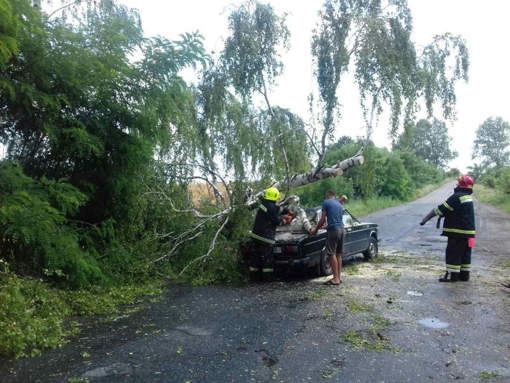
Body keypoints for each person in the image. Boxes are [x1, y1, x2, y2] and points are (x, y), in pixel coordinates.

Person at [420, 174, 476, 282]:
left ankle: (452, 276)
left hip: (457, 232)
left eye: (458, 183)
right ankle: (464, 276)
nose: (456, 184)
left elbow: (441, 209)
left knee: (453, 252)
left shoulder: (457, 197)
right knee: (465, 253)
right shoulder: (467, 197)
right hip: (468, 232)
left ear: (462, 185)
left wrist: (425, 219)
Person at [249, 187, 293, 275]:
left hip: (255, 235)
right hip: (265, 237)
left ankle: (254, 276)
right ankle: (268, 277)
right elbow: (276, 221)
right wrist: (286, 220)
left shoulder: (264, 204)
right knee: (267, 259)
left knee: (255, 257)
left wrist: (287, 210)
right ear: (275, 196)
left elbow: (278, 209)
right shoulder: (271, 207)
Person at [311, 189, 345, 286]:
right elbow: (335, 222)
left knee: (331, 253)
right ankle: (339, 277)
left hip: (334, 231)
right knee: (338, 254)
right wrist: (323, 227)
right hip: (342, 229)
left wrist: (315, 230)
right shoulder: (339, 204)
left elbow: (322, 219)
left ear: (329, 194)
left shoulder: (326, 202)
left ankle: (335, 279)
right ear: (335, 195)